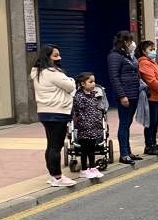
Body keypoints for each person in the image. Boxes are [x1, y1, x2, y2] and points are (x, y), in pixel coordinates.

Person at [31, 43, 76, 187]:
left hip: (45, 112)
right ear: (47, 57)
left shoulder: (37, 72)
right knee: (56, 146)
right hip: (58, 112)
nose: (59, 58)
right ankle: (57, 177)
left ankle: (53, 175)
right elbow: (70, 86)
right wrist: (71, 80)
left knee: (51, 145)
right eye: (55, 56)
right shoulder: (52, 73)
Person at [107, 31, 142, 164]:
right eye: (130, 41)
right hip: (125, 95)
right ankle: (123, 153)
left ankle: (128, 151)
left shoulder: (127, 55)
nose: (132, 44)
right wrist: (122, 95)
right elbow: (114, 77)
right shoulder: (114, 56)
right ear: (125, 42)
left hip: (133, 93)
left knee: (127, 124)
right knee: (124, 124)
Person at [136, 40, 158, 156]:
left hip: (157, 96)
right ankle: (149, 145)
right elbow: (151, 80)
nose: (153, 51)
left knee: (155, 121)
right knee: (151, 122)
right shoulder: (144, 63)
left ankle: (153, 143)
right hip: (151, 96)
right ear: (143, 51)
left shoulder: (152, 62)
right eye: (150, 49)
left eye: (154, 49)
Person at [72, 72, 107, 179]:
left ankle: (92, 167)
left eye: (94, 81)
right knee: (84, 150)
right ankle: (84, 169)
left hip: (94, 126)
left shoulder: (93, 95)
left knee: (92, 149)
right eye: (90, 82)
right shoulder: (79, 96)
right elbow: (78, 112)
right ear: (83, 84)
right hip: (85, 127)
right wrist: (84, 123)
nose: (93, 84)